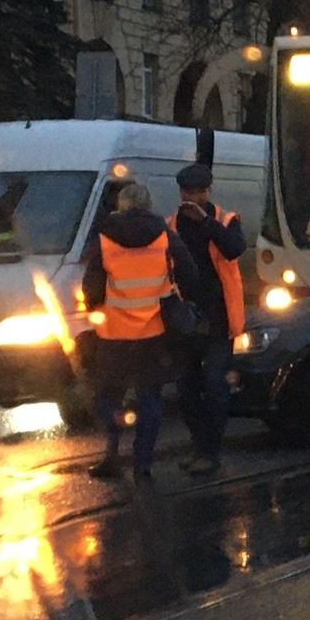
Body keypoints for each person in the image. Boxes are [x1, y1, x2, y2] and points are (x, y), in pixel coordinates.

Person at [81, 182, 198, 484]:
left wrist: (101, 308)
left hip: (113, 334)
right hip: (154, 332)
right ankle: (142, 465)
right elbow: (190, 273)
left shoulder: (104, 238)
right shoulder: (163, 234)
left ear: (121, 205)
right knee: (150, 399)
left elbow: (91, 287)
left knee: (106, 395)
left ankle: (111, 454)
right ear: (148, 205)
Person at [167, 162, 248, 475]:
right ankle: (198, 445)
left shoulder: (227, 220)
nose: (191, 197)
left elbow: (234, 249)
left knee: (215, 385)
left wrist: (206, 222)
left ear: (207, 192)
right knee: (186, 388)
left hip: (220, 319)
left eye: (197, 192)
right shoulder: (171, 224)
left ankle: (210, 452)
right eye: (187, 192)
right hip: (185, 320)